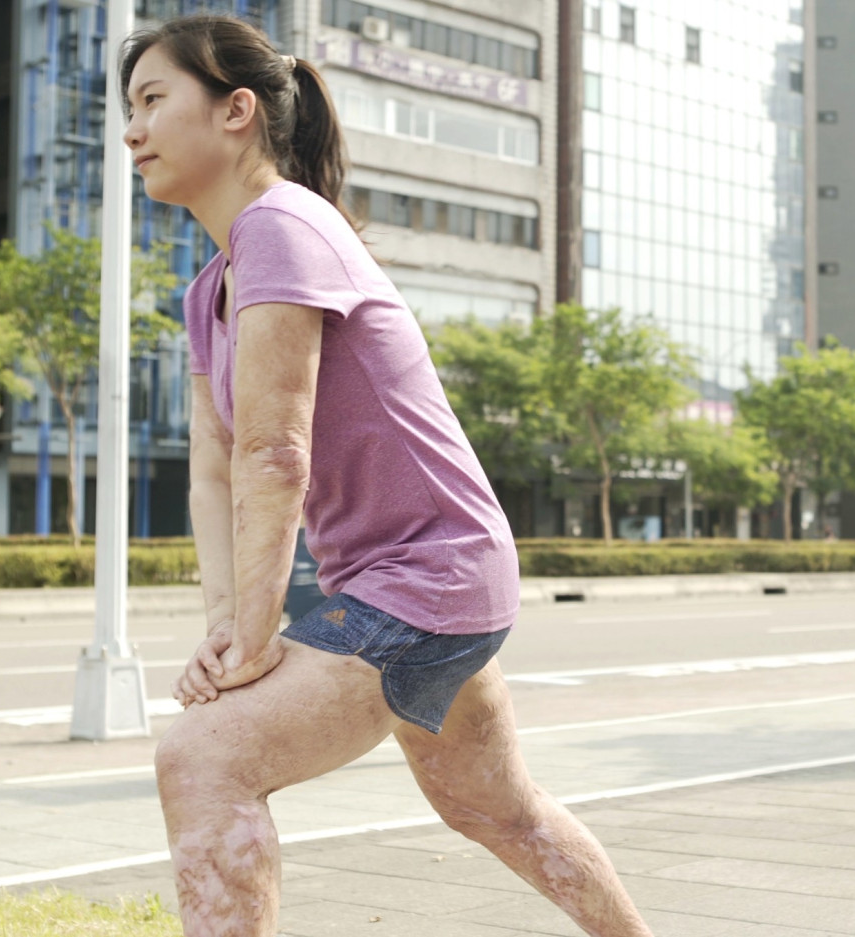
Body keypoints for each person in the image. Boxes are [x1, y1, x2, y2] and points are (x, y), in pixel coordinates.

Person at [120, 14, 655, 937]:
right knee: (495, 809)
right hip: (408, 580)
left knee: (204, 757)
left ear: (237, 110)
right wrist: (225, 627)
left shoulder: (284, 225)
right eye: (127, 109)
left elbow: (274, 453)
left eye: (153, 100)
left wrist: (251, 645)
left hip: (427, 573)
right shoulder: (207, 286)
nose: (131, 130)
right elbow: (212, 471)